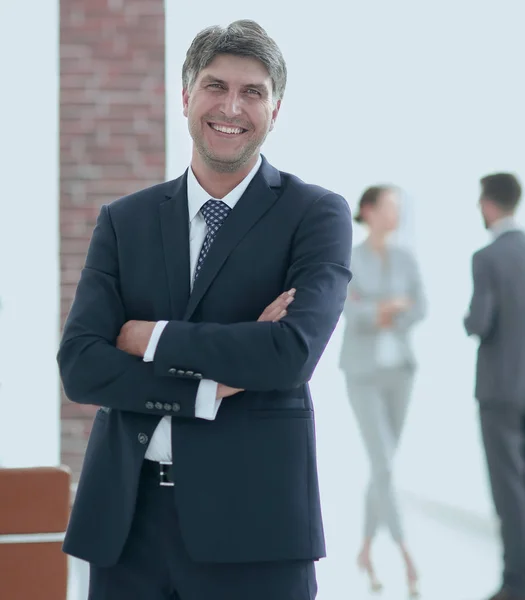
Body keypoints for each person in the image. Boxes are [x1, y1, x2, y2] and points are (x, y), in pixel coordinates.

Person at [57, 19, 353, 600]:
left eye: (253, 92)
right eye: (216, 87)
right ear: (187, 97)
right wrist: (206, 388)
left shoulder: (316, 215)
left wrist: (150, 337)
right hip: (127, 526)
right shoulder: (125, 220)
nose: (232, 107)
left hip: (256, 531)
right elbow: (81, 366)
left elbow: (287, 355)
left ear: (275, 110)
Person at [339, 185, 426, 597]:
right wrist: (385, 308)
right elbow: (349, 310)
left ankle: (367, 549)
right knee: (384, 462)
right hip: (363, 372)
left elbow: (421, 305)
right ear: (370, 210)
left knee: (383, 464)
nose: (397, 213)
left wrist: (383, 310)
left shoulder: (407, 258)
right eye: (391, 206)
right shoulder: (350, 257)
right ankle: (406, 553)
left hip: (400, 372)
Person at [464, 173, 525, 600]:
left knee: (510, 492)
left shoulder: (486, 257)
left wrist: (467, 320)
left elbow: (479, 322)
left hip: (501, 391)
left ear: (488, 204)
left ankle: (516, 583)